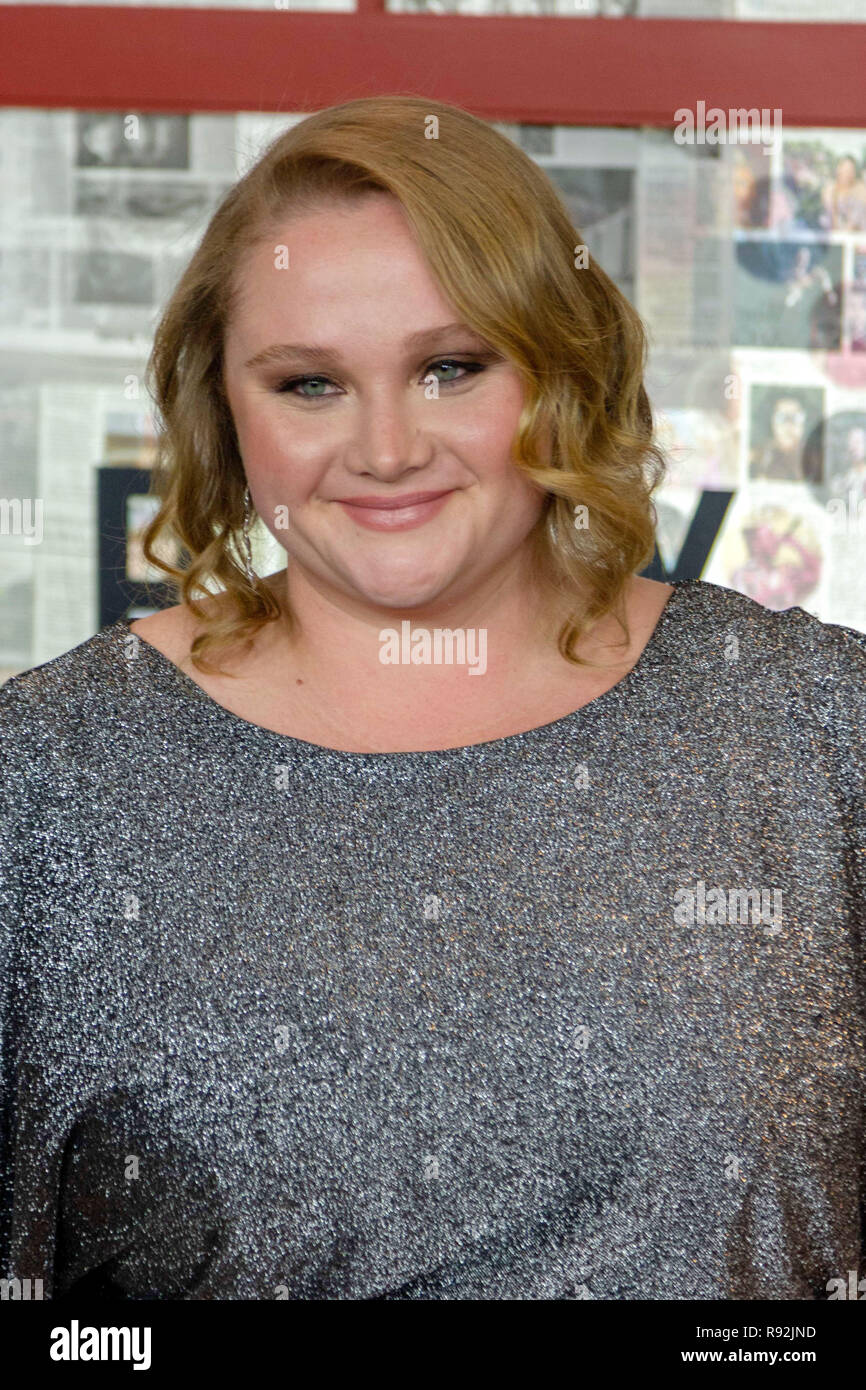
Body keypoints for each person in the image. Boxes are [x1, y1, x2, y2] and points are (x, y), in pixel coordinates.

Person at [1, 94, 864, 1301]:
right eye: (309, 384)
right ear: (222, 408)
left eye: (449, 367)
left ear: (562, 373)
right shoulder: (47, 779)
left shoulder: (814, 727)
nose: (387, 448)